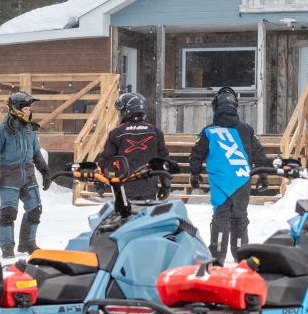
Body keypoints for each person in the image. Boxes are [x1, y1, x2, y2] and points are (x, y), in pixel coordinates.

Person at [189, 87, 268, 261]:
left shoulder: (208, 131)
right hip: (242, 179)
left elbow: (196, 154)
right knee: (240, 219)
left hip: (219, 182)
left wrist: (194, 174)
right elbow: (259, 152)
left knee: (220, 218)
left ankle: (217, 255)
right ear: (235, 106)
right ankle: (241, 255)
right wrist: (263, 174)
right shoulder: (247, 129)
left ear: (215, 107)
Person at [0, 92, 51, 258]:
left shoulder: (30, 129)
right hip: (10, 175)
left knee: (35, 209)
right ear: (16, 109)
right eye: (25, 108)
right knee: (8, 212)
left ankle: (27, 243)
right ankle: (7, 245)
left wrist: (44, 170)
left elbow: (36, 152)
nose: (29, 112)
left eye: (29, 109)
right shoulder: (2, 130)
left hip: (28, 175)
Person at [97, 93, 170, 201]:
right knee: (146, 217)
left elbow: (105, 159)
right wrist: (166, 184)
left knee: (125, 217)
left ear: (126, 111)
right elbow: (164, 161)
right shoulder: (155, 132)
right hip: (148, 187)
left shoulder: (117, 133)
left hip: (124, 187)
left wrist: (100, 181)